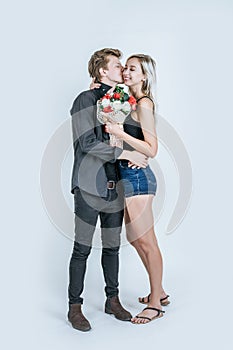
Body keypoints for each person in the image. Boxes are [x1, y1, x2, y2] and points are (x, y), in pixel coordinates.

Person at [68, 48, 149, 332]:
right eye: (117, 66)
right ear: (103, 71)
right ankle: (74, 307)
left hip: (114, 186)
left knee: (112, 247)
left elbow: (135, 135)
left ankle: (111, 300)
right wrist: (124, 155)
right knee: (82, 249)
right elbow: (86, 144)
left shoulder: (122, 101)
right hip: (88, 186)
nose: (123, 71)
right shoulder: (84, 100)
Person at [103, 54, 170, 324]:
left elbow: (152, 149)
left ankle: (155, 303)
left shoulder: (144, 104)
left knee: (146, 241)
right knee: (134, 238)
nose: (127, 73)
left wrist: (121, 134)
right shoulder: (127, 102)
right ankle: (161, 291)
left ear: (144, 76)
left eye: (133, 69)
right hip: (127, 176)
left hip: (139, 177)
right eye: (126, 68)